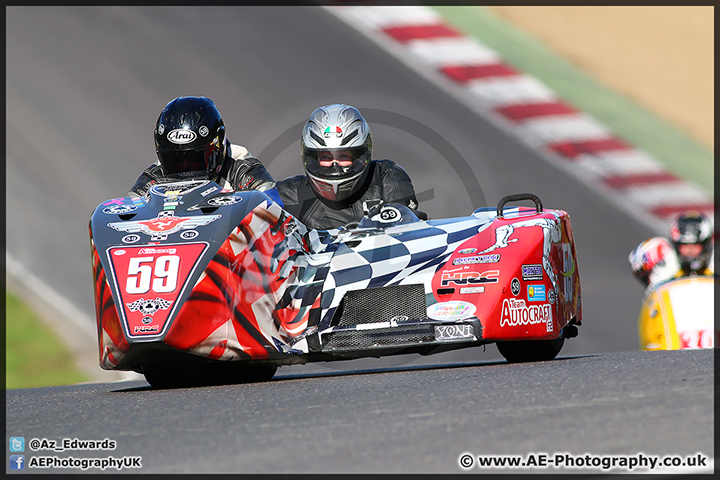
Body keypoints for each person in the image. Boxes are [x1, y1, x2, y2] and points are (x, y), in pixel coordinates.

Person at [275, 104, 423, 230]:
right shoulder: (290, 194)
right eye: (326, 157)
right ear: (312, 158)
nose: (335, 165)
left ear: (360, 155)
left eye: (343, 156)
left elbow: (408, 229)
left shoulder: (385, 176)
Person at [129, 96, 281, 205]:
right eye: (174, 161)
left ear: (218, 145)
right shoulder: (154, 176)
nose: (185, 169)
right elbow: (129, 210)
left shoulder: (242, 169)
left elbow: (274, 208)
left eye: (195, 161)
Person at [629, 211, 714, 287]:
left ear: (706, 245)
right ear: (676, 244)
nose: (690, 250)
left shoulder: (714, 260)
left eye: (695, 245)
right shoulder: (662, 254)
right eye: (684, 245)